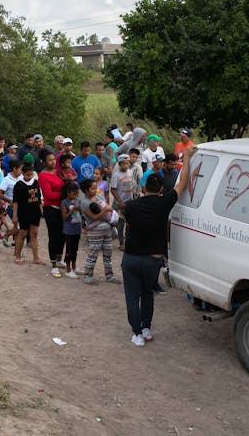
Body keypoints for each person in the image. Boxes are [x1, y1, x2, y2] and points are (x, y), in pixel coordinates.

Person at [121, 145, 197, 347]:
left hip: (130, 258)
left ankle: (136, 333)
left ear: (145, 189)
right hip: (152, 259)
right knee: (147, 295)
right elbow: (182, 183)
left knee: (131, 297)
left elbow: (126, 220)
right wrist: (187, 158)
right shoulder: (165, 203)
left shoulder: (130, 207)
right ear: (161, 190)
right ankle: (146, 329)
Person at [79, 178, 121, 285]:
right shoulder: (85, 202)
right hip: (95, 231)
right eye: (92, 189)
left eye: (95, 188)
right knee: (93, 254)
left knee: (108, 253)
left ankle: (110, 276)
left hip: (106, 228)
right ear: (86, 190)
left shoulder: (97, 197)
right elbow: (94, 217)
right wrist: (106, 211)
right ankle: (88, 276)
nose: (95, 190)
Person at [38, 150, 64, 278]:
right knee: (53, 236)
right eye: (50, 160)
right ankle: (53, 265)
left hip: (62, 208)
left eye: (54, 159)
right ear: (44, 161)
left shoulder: (58, 172)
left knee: (62, 235)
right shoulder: (42, 176)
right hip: (51, 209)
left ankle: (59, 259)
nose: (53, 162)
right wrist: (64, 194)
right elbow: (49, 195)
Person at [12, 163, 44, 266]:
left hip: (35, 212)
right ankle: (18, 256)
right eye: (27, 174)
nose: (30, 176)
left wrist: (41, 210)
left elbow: (39, 199)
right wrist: (15, 216)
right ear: (23, 173)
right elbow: (16, 202)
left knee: (34, 235)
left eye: (31, 174)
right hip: (23, 213)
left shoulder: (35, 182)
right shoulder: (19, 185)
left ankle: (36, 258)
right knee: (22, 234)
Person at [110, 152, 142, 249]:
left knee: (129, 223)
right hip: (121, 203)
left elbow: (132, 186)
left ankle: (128, 242)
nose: (126, 165)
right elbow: (113, 190)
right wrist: (120, 202)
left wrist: (134, 197)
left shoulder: (130, 172)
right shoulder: (116, 175)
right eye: (123, 163)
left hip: (129, 202)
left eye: (127, 163)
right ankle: (121, 243)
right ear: (119, 164)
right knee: (120, 224)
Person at [60, 182, 82, 278]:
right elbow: (64, 217)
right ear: (68, 193)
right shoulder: (64, 202)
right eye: (74, 193)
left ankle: (74, 267)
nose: (75, 195)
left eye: (77, 193)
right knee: (69, 250)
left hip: (77, 229)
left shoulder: (77, 200)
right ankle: (68, 269)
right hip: (69, 230)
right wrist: (72, 210)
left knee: (75, 249)